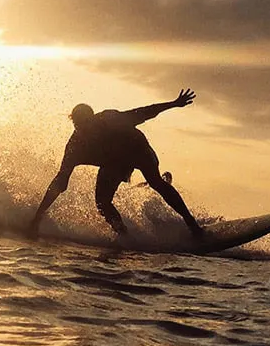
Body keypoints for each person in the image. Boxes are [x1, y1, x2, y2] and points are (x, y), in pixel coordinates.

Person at [27, 89, 203, 239]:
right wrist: (37, 218)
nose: (83, 129)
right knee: (102, 202)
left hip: (137, 149)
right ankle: (125, 236)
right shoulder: (75, 146)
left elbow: (143, 112)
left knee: (156, 182)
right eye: (78, 125)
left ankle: (194, 227)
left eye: (86, 123)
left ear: (93, 118)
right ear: (73, 122)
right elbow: (60, 182)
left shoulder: (110, 119)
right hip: (114, 162)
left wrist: (173, 104)